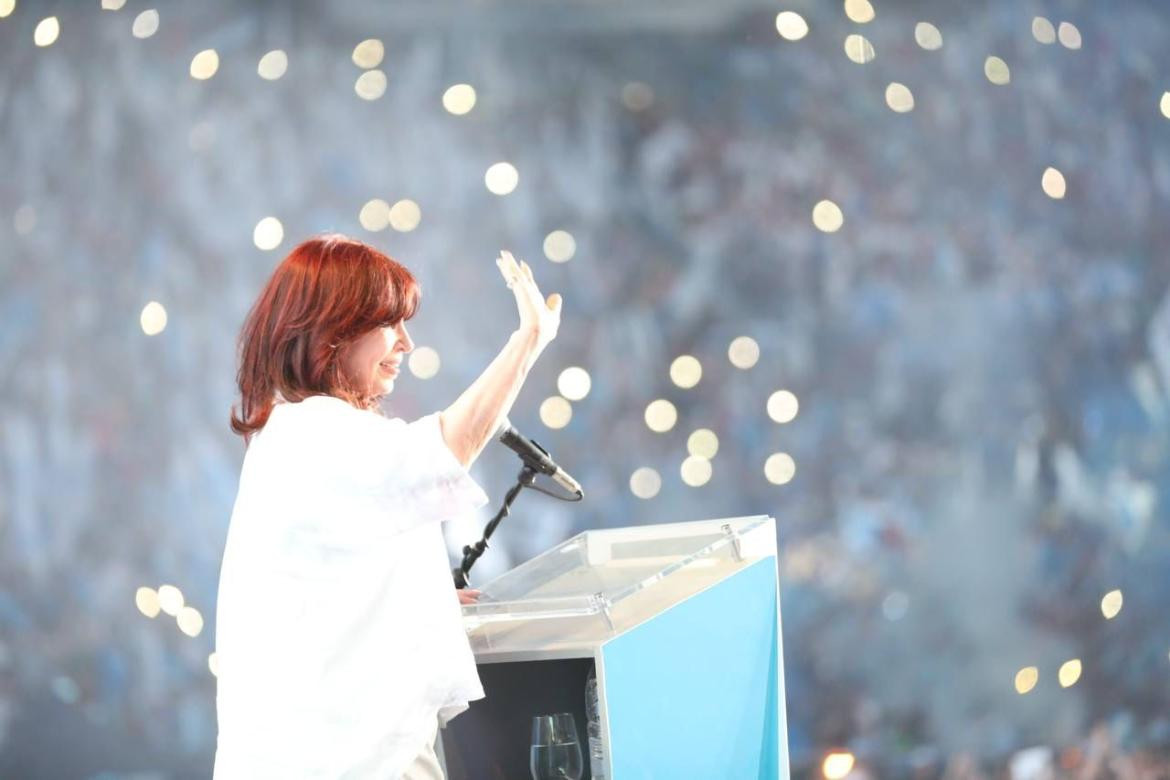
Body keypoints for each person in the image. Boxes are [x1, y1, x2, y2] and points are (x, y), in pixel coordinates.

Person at [213, 234, 561, 779]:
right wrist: (528, 341)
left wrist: (425, 600)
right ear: (331, 330)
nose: (406, 344)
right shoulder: (313, 431)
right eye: (388, 324)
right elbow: (447, 450)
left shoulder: (298, 438)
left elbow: (337, 589)